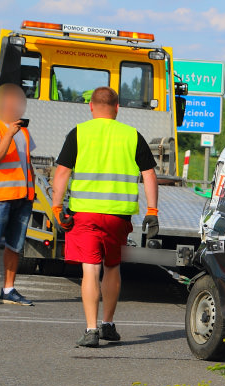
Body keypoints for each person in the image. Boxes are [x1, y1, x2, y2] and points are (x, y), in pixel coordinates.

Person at [51, 86, 159, 347]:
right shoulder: (132, 135)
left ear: (91, 107)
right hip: (117, 217)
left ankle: (91, 330)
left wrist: (56, 207)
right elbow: (149, 174)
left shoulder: (79, 132)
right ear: (117, 107)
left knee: (90, 270)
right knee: (112, 268)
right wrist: (152, 211)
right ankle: (108, 325)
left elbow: (63, 171)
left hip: (85, 215)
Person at [0, 83, 36, 307]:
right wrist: (10, 134)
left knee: (15, 245)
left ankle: (8, 289)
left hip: (22, 197)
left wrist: (32, 192)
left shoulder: (25, 131)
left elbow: (27, 164)